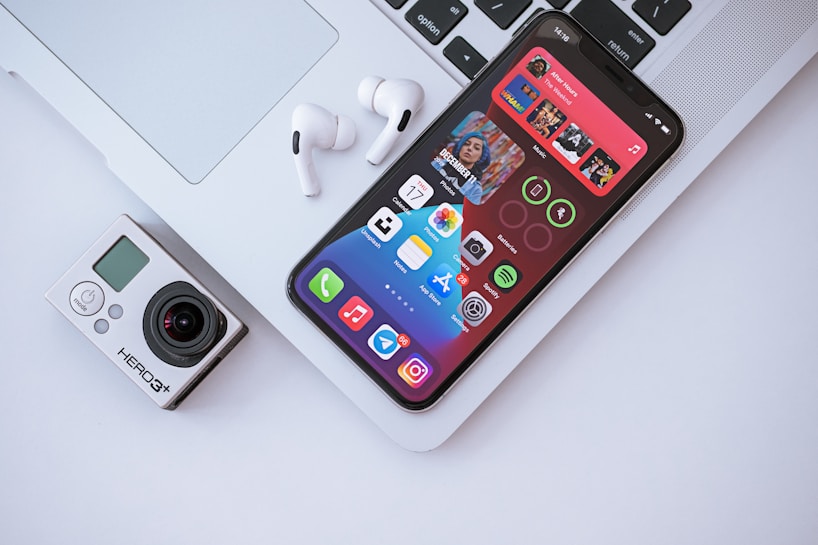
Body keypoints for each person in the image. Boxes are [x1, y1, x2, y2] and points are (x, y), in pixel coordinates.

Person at [432, 132, 492, 204]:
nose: (469, 148)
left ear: (480, 157)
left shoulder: (475, 189)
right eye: (466, 144)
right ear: (460, 147)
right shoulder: (439, 163)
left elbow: (463, 211)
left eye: (476, 148)